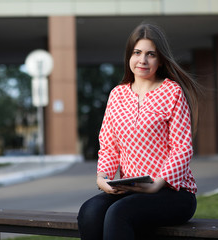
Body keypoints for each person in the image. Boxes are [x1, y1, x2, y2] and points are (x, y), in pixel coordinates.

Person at [77, 22, 202, 240]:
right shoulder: (117, 95)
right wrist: (103, 178)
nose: (142, 60)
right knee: (89, 212)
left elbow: (182, 148)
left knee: (119, 213)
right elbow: (109, 146)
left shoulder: (172, 92)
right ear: (129, 56)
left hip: (173, 192)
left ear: (160, 59)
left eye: (150, 54)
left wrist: (157, 184)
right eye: (137, 52)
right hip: (130, 190)